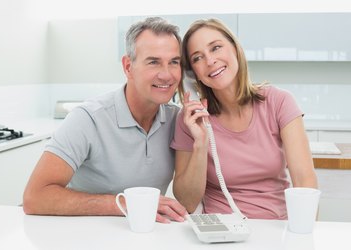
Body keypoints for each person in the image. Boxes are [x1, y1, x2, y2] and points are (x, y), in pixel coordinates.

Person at [23, 17, 187, 223]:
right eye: (153, 62)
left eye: (174, 62)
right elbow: (35, 197)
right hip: (83, 235)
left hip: (142, 233)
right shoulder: (88, 119)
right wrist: (123, 204)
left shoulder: (176, 119)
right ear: (128, 67)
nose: (167, 75)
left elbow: (190, 198)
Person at [170, 18, 318, 219]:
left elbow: (305, 183)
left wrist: (305, 236)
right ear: (192, 73)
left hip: (276, 229)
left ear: (235, 48)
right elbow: (187, 202)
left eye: (216, 48)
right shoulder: (190, 119)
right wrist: (201, 143)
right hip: (220, 232)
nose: (210, 60)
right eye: (197, 58)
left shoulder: (279, 102)